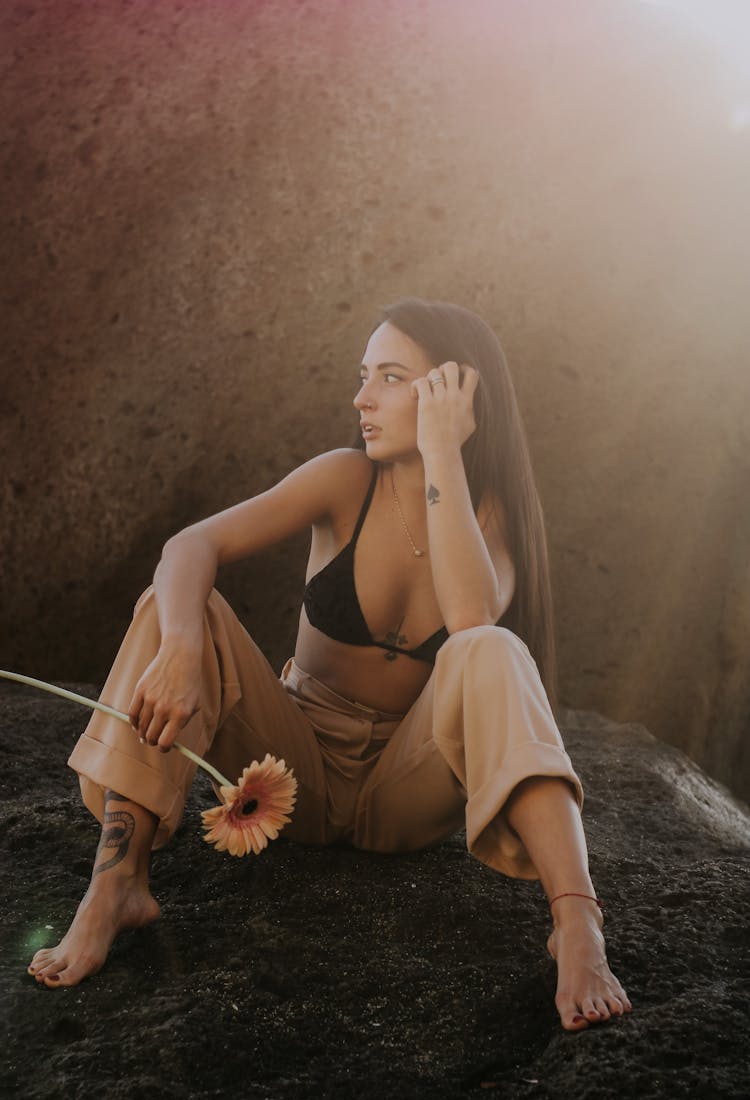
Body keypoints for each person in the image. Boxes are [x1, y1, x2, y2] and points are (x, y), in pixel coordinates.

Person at [28, 297, 631, 1031]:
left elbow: (471, 620)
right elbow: (193, 545)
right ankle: (117, 882)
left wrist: (443, 451)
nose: (361, 397)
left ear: (451, 391)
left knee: (494, 648)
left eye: (389, 376)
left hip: (403, 795)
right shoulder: (346, 479)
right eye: (362, 374)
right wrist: (186, 646)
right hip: (290, 771)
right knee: (169, 604)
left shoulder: (492, 517)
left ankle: (576, 924)